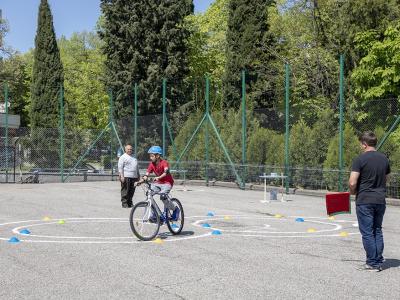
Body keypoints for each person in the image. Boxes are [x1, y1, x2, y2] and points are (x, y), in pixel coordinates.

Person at [349, 131, 391, 272]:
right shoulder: (384, 159)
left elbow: (352, 181)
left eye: (361, 143)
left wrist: (353, 192)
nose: (361, 146)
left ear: (365, 144)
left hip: (365, 200)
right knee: (377, 230)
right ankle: (378, 260)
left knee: (367, 232)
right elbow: (387, 179)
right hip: (380, 200)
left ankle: (372, 263)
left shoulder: (360, 159)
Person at [136, 146, 179, 219]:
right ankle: (155, 213)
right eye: (150, 156)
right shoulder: (152, 164)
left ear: (158, 156)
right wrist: (139, 182)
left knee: (163, 197)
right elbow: (146, 175)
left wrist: (158, 177)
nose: (150, 158)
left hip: (167, 183)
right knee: (149, 194)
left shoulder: (164, 163)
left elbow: (166, 172)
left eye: (152, 156)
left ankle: (175, 210)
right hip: (158, 183)